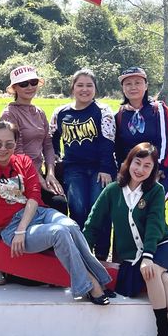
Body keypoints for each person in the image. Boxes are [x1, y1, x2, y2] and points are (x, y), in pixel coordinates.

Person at [0, 121, 113, 304]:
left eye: (9, 144)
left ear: (15, 144)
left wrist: (23, 229)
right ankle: (91, 285)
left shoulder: (23, 161)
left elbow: (34, 195)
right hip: (11, 228)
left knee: (71, 226)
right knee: (59, 233)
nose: (3, 149)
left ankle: (100, 279)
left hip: (38, 213)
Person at [84, 143, 168, 336]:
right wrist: (83, 254)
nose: (140, 169)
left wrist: (147, 256)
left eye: (147, 166)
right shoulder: (112, 191)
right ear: (128, 163)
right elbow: (92, 223)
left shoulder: (155, 190)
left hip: (162, 247)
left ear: (153, 170)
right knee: (161, 278)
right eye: (137, 163)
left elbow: (155, 223)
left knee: (153, 271)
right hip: (133, 257)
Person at [50, 68, 116, 234]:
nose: (84, 89)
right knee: (77, 208)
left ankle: (101, 249)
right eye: (80, 85)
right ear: (72, 88)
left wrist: (105, 168)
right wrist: (55, 155)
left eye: (89, 85)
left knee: (99, 208)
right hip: (73, 168)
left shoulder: (103, 111)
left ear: (95, 88)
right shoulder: (60, 112)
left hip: (99, 169)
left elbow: (108, 140)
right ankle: (79, 246)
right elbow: (52, 137)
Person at [0, 64, 67, 214]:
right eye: (24, 84)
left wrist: (50, 174)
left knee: (61, 201)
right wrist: (40, 180)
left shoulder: (39, 112)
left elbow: (47, 144)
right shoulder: (9, 114)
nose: (30, 87)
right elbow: (17, 152)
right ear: (15, 88)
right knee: (55, 204)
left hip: (39, 173)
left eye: (33, 82)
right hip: (19, 177)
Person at [114, 67, 168, 197]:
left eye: (138, 82)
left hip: (161, 169)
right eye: (128, 84)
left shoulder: (158, 109)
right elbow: (119, 148)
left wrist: (158, 168)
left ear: (146, 85)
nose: (133, 87)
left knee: (151, 202)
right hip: (132, 171)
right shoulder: (120, 115)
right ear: (123, 88)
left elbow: (167, 141)